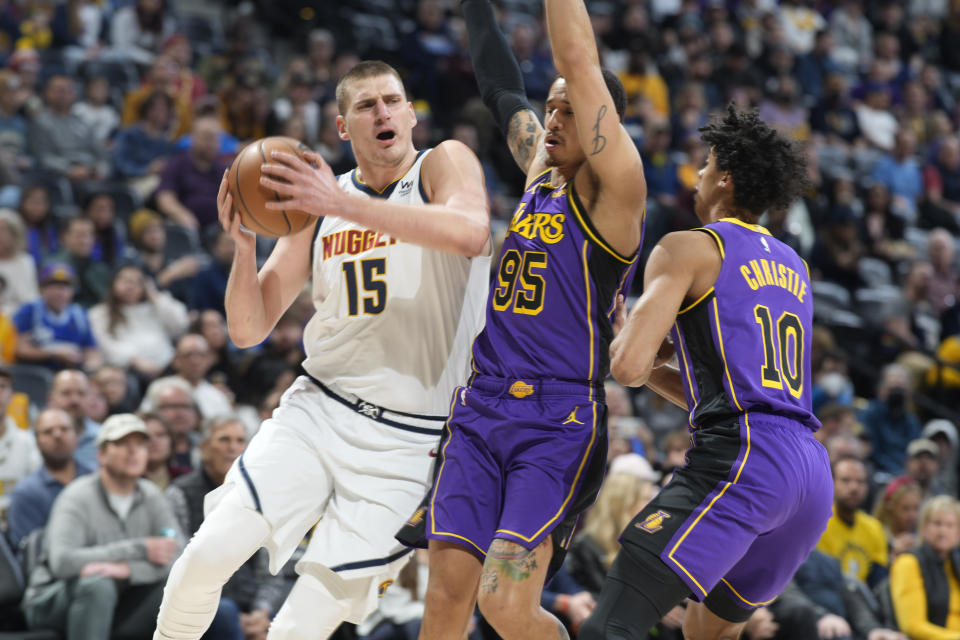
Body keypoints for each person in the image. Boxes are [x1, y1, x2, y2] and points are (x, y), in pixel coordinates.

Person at [153, 58, 491, 640]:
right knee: (202, 560)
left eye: (391, 100)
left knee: (300, 629)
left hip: (410, 442)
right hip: (319, 409)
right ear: (343, 128)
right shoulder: (321, 200)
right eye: (365, 105)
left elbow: (469, 232)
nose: (382, 112)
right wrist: (243, 248)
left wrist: (337, 205)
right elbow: (248, 328)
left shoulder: (442, 164)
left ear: (411, 113)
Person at [414, 0, 645, 638]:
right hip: (483, 404)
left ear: (606, 125)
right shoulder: (540, 169)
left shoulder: (614, 190)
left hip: (557, 418)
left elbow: (578, 57)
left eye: (571, 110)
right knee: (444, 598)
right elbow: (500, 86)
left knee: (505, 604)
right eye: (551, 107)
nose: (552, 119)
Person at [580, 104, 831, 640]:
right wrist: (657, 360)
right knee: (705, 633)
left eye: (705, 164)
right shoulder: (795, 266)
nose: (695, 176)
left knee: (610, 628)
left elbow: (624, 366)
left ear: (724, 178)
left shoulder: (686, 247)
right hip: (809, 474)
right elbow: (721, 383)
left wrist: (627, 341)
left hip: (745, 459)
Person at [21, 414, 184, 639]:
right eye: (121, 444)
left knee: (182, 591)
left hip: (122, 595)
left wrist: (129, 571)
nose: (133, 451)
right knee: (97, 586)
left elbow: (179, 556)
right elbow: (63, 563)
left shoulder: (152, 495)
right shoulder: (76, 496)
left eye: (140, 444)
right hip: (51, 599)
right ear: (101, 454)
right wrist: (140, 549)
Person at [6, 408, 93, 548]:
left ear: (76, 436)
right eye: (48, 431)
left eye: (64, 429)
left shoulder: (96, 480)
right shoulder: (26, 494)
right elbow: (27, 554)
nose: (57, 435)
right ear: (37, 441)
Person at [890, 495, 960, 637]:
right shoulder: (908, 563)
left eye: (950, 525)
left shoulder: (954, 563)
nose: (943, 531)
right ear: (923, 527)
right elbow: (912, 626)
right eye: (937, 524)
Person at [818, 457, 890, 587]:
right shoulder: (816, 524)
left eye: (860, 482)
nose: (854, 488)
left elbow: (879, 583)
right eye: (846, 480)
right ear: (831, 482)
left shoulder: (874, 527)